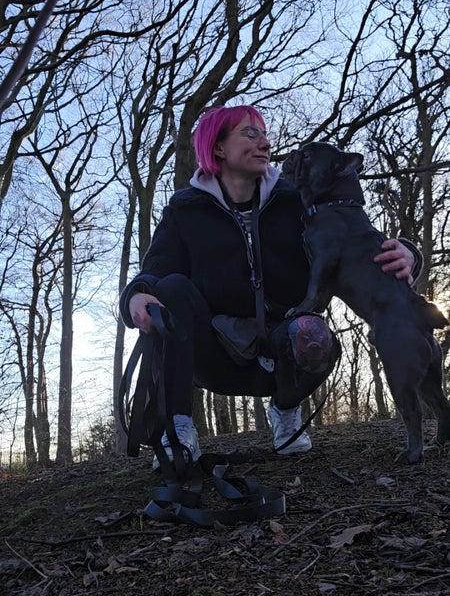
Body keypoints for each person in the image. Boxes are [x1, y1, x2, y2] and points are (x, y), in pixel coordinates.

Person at [119, 105, 421, 466]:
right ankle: (178, 429)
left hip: (284, 346)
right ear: (218, 147)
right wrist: (137, 295)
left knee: (312, 332)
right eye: (251, 134)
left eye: (264, 134)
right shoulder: (184, 210)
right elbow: (156, 268)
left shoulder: (296, 197)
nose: (265, 143)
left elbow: (352, 236)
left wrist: (408, 253)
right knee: (170, 288)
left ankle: (286, 410)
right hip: (212, 349)